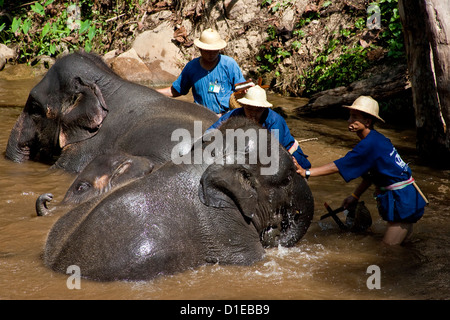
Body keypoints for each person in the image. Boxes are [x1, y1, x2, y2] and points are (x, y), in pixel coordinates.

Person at [294, 96, 427, 245]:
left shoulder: (370, 145)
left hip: (402, 202)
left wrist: (307, 172)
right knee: (404, 248)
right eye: (350, 116)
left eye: (354, 117)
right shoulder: (376, 139)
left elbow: (340, 165)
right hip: (406, 198)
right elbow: (371, 176)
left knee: (388, 251)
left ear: (367, 122)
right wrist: (355, 196)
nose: (349, 120)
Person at [207, 85, 311, 169]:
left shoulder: (275, 121)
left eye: (257, 110)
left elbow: (272, 152)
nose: (253, 114)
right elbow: (211, 131)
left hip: (290, 158)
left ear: (264, 108)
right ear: (244, 106)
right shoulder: (236, 114)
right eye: (249, 109)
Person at [157, 28, 246, 115]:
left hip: (225, 116)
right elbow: (176, 90)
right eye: (207, 51)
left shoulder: (229, 64)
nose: (211, 54)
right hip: (201, 117)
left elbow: (241, 90)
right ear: (200, 49)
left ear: (219, 49)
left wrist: (247, 89)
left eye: (214, 51)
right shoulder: (191, 67)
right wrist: (152, 92)